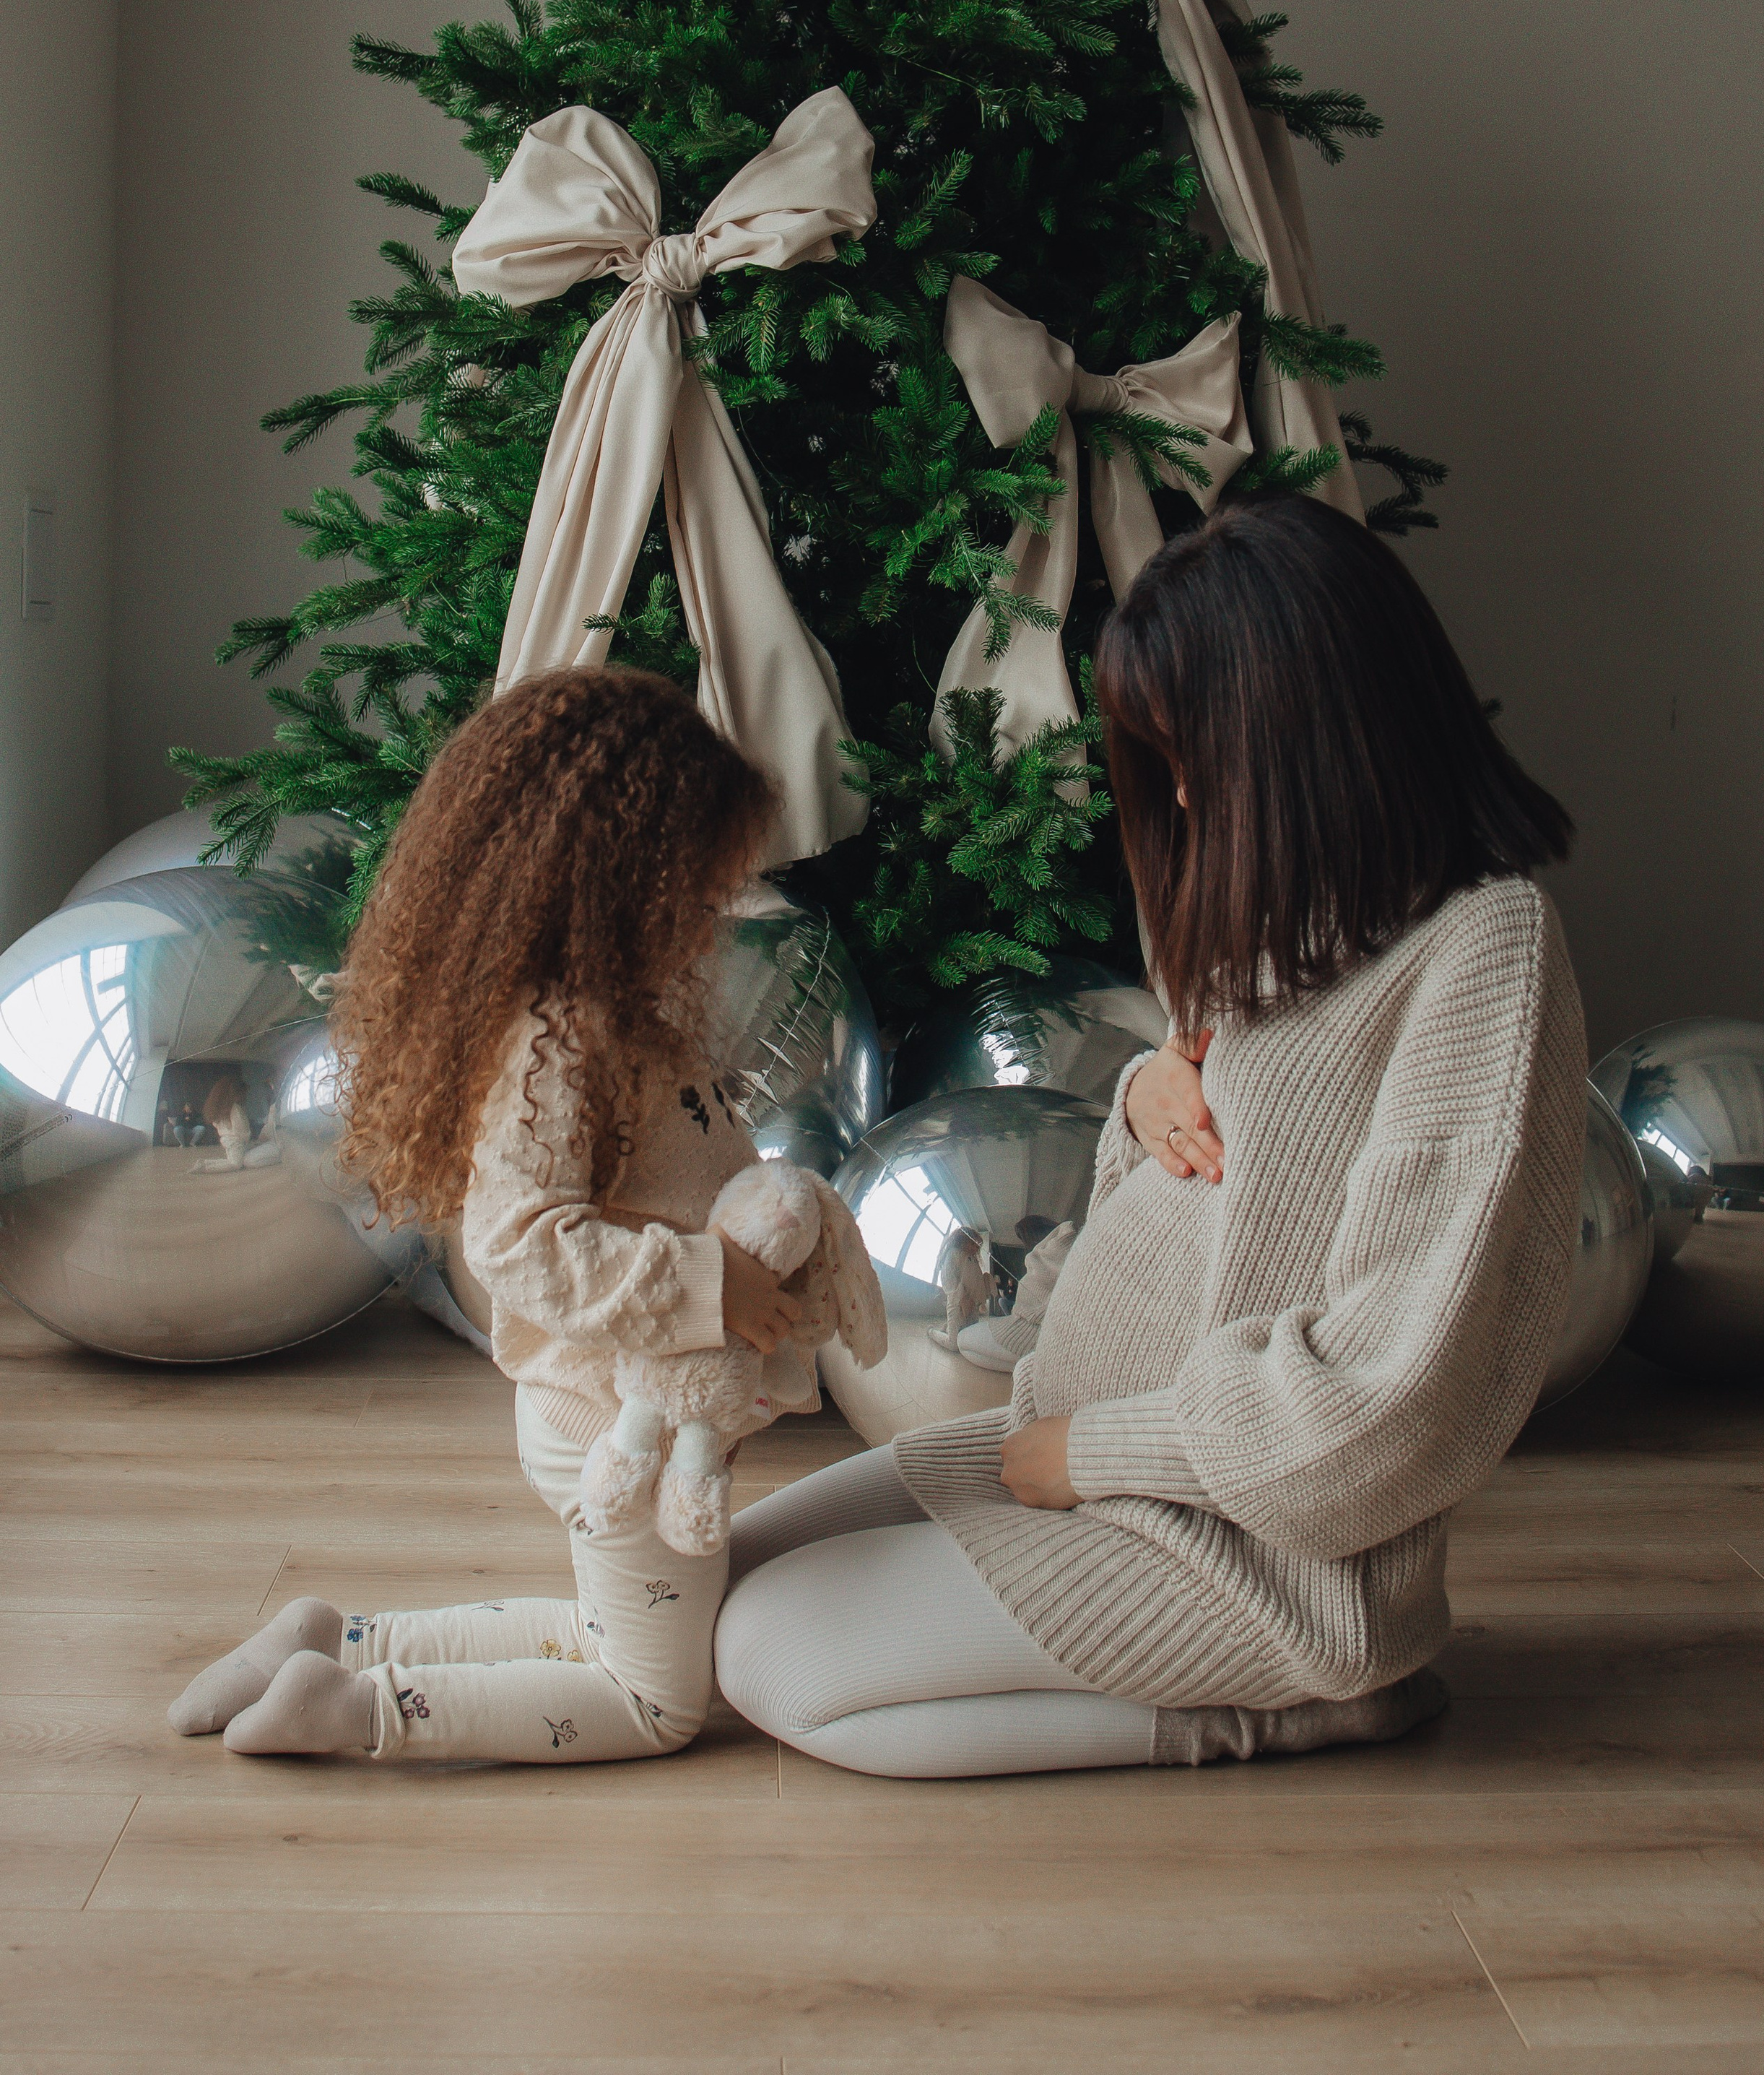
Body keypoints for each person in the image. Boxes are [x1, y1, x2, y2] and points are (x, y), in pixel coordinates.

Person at [717, 492, 1586, 1777]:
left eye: (1193, 749)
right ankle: (394, 1672)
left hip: (1253, 1554)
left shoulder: (1480, 955)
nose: (1175, 787)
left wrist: (1098, 1456)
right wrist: (1139, 1101)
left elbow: (1392, 1401)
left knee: (772, 1653)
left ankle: (1297, 1704)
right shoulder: (1279, 926)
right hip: (1081, 1456)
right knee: (708, 1572)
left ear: (1304, 732)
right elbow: (1210, 1214)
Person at [168, 664, 795, 1765]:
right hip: (611, 1420)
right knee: (655, 1706)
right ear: (616, 884)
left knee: (616, 1637)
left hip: (641, 1408)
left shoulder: (619, 1019)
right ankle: (360, 1715)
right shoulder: (556, 1047)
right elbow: (516, 1242)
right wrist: (710, 1286)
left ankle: (334, 1641)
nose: (710, 932)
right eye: (698, 901)